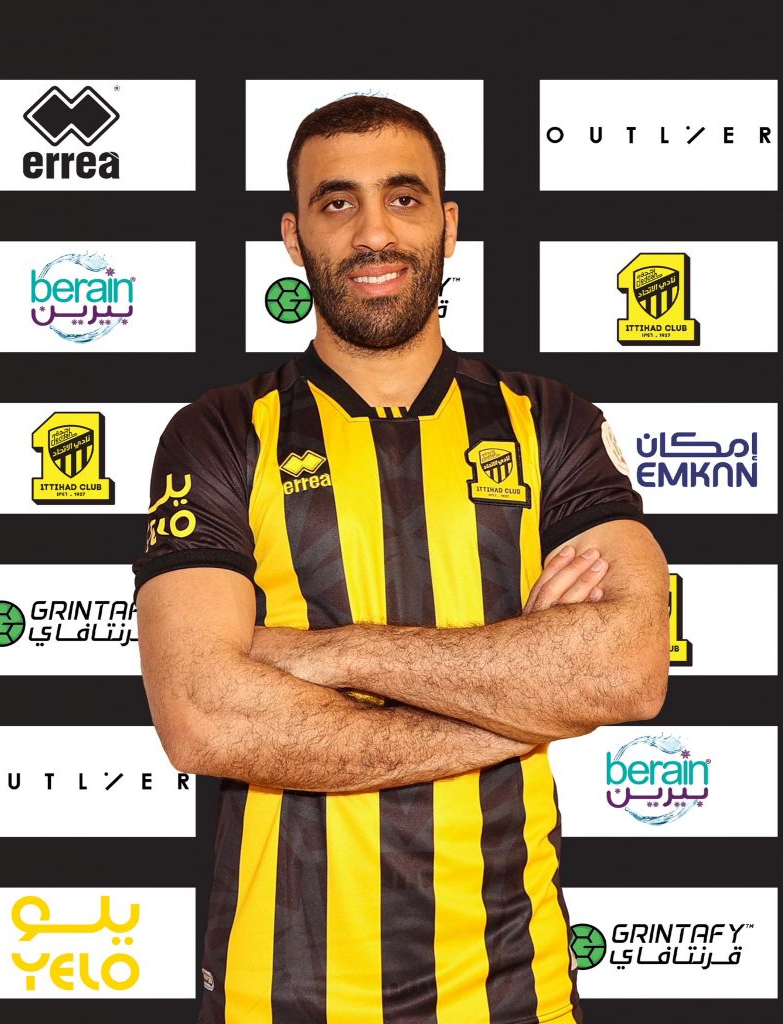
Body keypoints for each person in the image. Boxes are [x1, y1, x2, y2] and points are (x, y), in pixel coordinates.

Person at [133, 95, 669, 1024]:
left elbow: (626, 669)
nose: (374, 233)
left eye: (405, 198)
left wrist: (324, 653)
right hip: (280, 989)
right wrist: (519, 711)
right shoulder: (219, 431)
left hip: (514, 986)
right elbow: (203, 716)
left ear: (449, 226)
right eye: (338, 203)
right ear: (295, 238)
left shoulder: (549, 420)